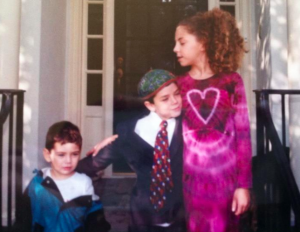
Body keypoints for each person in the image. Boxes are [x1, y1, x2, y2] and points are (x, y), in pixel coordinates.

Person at [173, 8, 252, 232]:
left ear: (203, 43)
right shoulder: (178, 85)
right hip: (190, 186)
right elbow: (156, 122)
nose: (175, 49)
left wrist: (243, 186)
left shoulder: (231, 81)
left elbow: (244, 137)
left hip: (226, 185)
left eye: (182, 42)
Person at [77, 69, 186, 232]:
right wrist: (59, 169)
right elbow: (96, 163)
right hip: (143, 215)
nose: (175, 101)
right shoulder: (129, 131)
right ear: (150, 105)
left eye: (177, 94)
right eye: (165, 99)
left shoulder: (188, 126)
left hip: (179, 214)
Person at [21, 121, 111, 232]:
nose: (68, 161)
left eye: (74, 154)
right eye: (61, 155)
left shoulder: (84, 183)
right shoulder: (37, 184)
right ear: (48, 155)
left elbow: (94, 219)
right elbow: (24, 219)